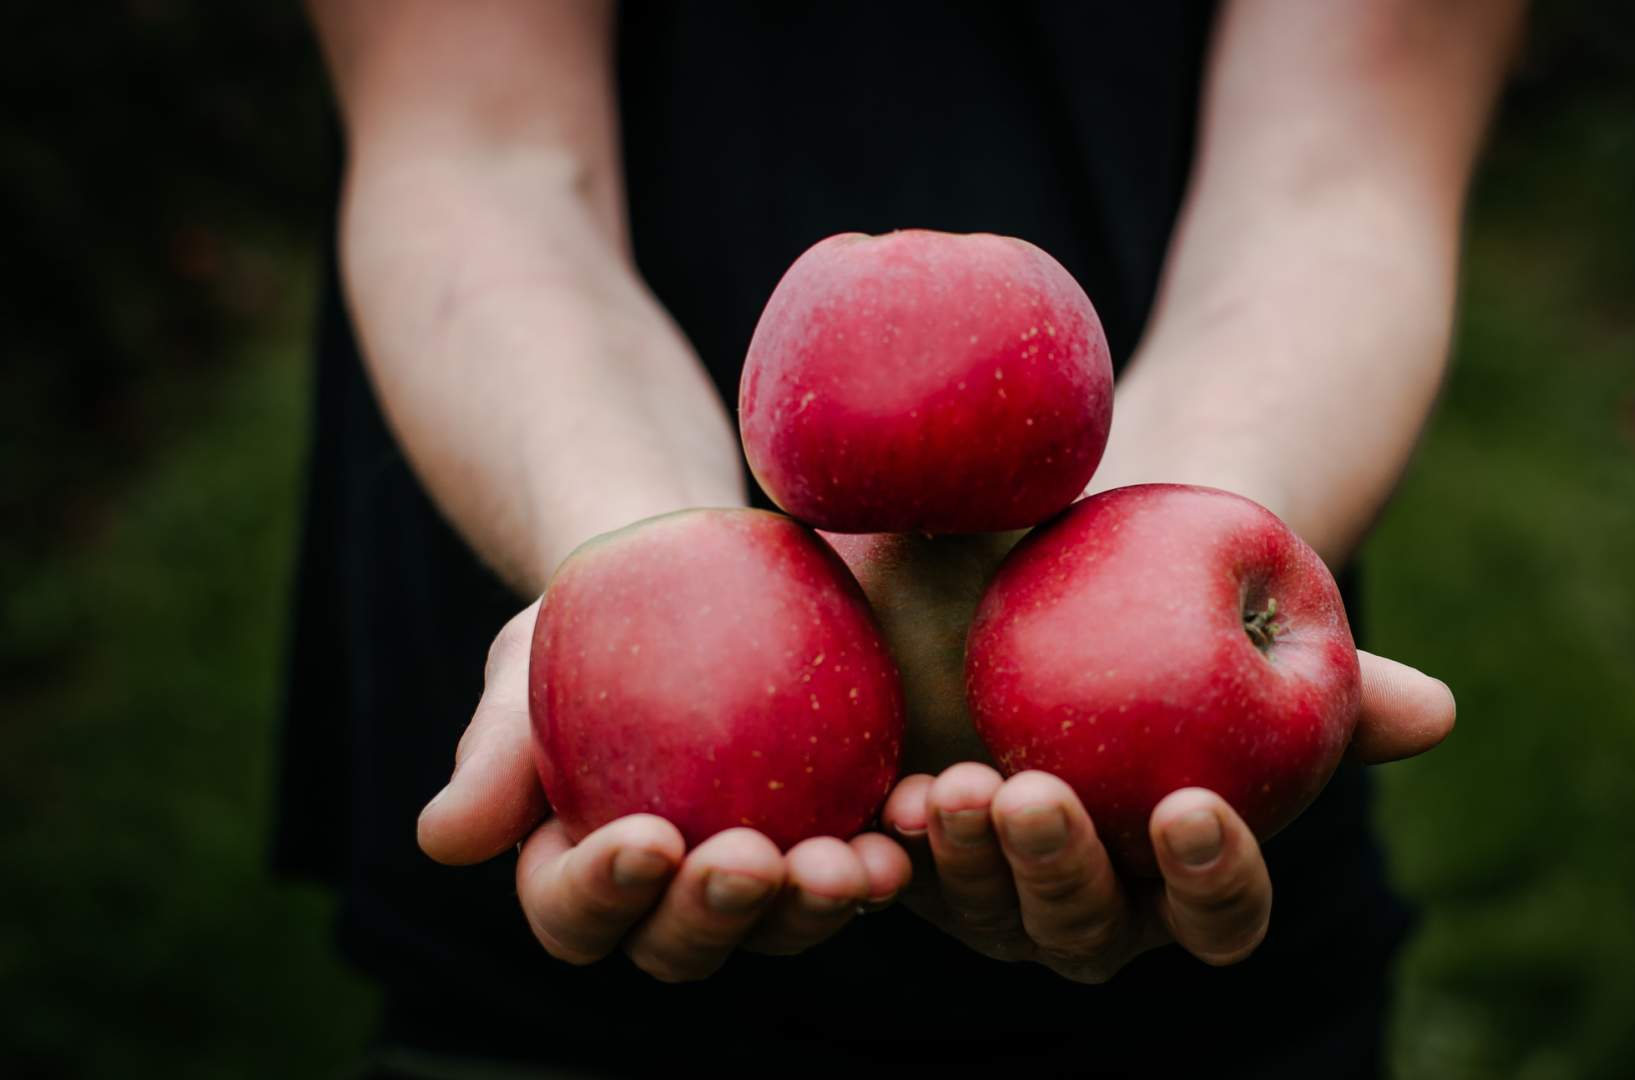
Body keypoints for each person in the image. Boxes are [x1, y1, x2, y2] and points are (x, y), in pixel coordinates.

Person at [280, 1, 1523, 1074]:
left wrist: (1164, 551)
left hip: (1176, 812)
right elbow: (476, 151)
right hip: (591, 635)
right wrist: (637, 568)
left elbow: (1337, 174)